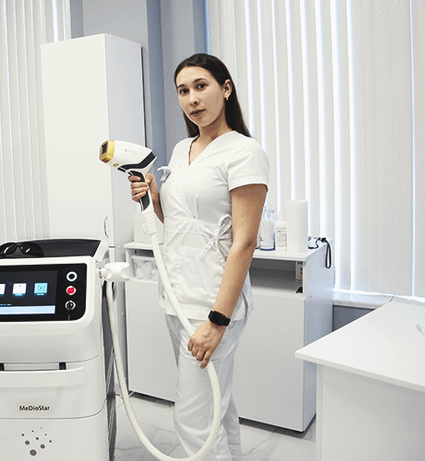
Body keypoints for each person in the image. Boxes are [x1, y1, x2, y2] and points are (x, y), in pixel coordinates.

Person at [129, 53, 269, 460]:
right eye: (183, 90)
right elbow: (179, 223)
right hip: (176, 297)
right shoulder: (181, 149)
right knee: (216, 406)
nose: (192, 98)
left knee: (192, 421)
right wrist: (154, 198)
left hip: (210, 304)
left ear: (225, 89)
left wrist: (217, 320)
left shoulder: (244, 152)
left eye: (201, 86)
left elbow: (245, 242)